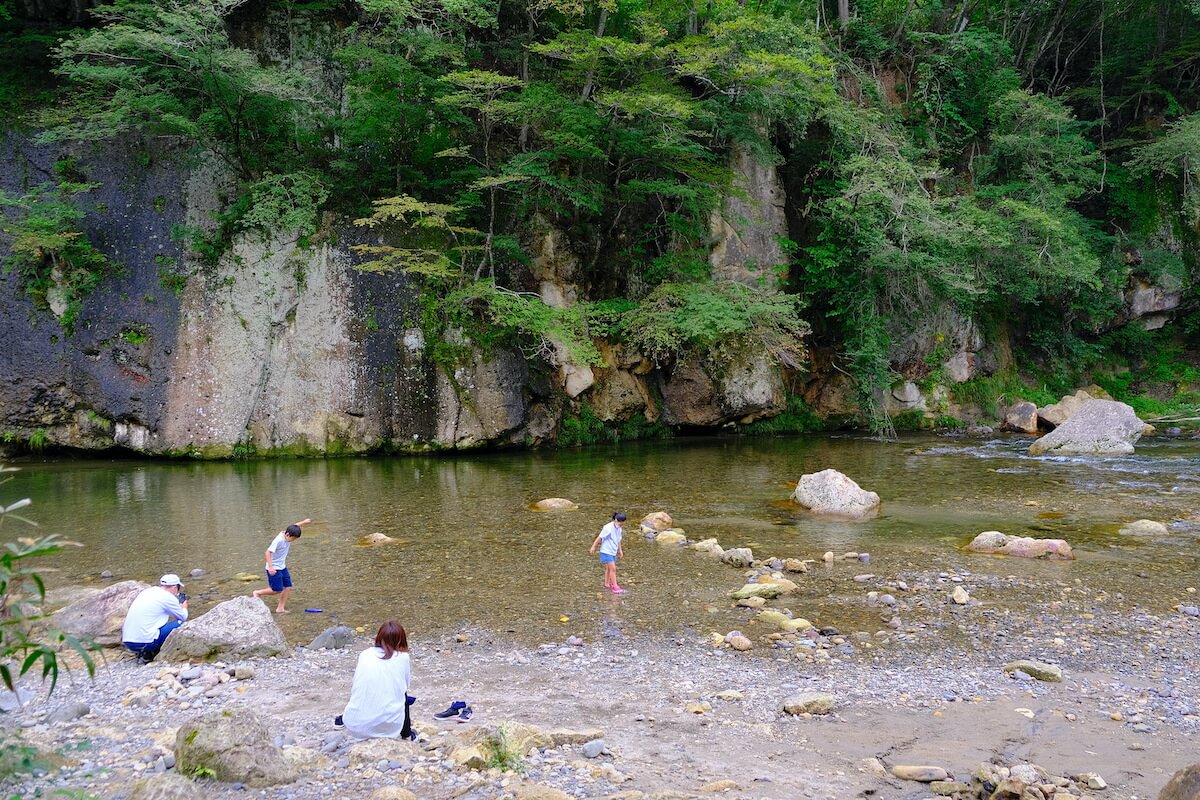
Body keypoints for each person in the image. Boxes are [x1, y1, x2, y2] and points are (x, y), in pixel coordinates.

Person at [334, 620, 416, 738]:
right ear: (402, 639)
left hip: (354, 725)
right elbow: (405, 686)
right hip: (389, 729)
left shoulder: (365, 654)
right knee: (402, 695)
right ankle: (406, 733)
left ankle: (347, 718)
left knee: (365, 689)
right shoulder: (403, 657)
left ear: (379, 637)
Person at [121, 574, 189, 664]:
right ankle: (151, 651)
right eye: (178, 588)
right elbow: (183, 617)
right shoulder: (167, 597)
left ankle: (145, 653)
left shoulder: (147, 592)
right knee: (182, 624)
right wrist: (184, 606)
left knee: (153, 625)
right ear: (174, 587)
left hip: (128, 642)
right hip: (145, 643)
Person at [251, 518, 309, 614]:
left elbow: (295, 525)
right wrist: (271, 567)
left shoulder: (288, 532)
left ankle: (280, 608)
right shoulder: (278, 540)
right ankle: (258, 593)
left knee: (288, 587)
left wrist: (304, 522)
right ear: (287, 535)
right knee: (277, 589)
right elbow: (267, 552)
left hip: (282, 567)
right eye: (293, 538)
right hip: (274, 568)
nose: (293, 541)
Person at [590, 511, 626, 593]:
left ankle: (606, 584)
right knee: (613, 568)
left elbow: (618, 539)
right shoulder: (608, 528)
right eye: (620, 524)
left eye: (623, 524)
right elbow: (600, 537)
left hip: (613, 550)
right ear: (616, 520)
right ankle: (615, 586)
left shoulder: (619, 528)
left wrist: (620, 550)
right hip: (606, 551)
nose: (621, 526)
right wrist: (594, 546)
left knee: (609, 569)